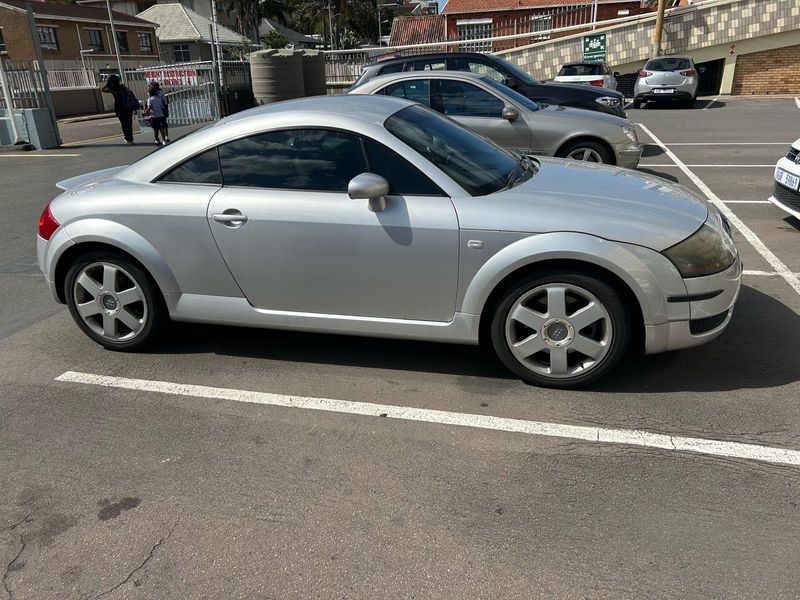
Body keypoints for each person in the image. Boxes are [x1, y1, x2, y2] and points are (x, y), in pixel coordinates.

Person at [101, 74, 137, 145]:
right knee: (129, 123)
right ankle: (131, 139)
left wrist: (108, 83)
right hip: (128, 106)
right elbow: (129, 93)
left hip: (119, 107)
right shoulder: (122, 87)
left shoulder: (112, 89)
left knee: (124, 124)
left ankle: (127, 139)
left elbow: (103, 90)